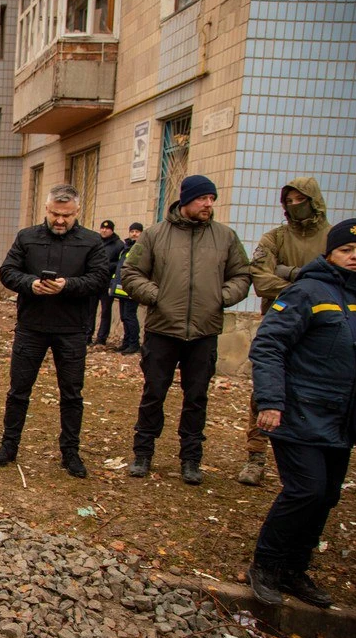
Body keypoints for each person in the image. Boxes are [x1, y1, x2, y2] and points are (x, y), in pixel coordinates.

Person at [246, 218, 356, 608]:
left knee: (328, 495)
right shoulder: (308, 292)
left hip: (342, 418)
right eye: (347, 250)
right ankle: (265, 565)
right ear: (329, 253)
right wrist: (270, 402)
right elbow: (268, 346)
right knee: (306, 490)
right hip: (300, 413)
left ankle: (295, 570)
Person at [122, 175, 251, 484]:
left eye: (212, 199)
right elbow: (130, 272)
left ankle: (191, 459)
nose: (209, 204)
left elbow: (242, 275)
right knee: (154, 393)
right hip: (162, 330)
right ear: (185, 200)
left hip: (204, 333)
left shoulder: (225, 237)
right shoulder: (154, 235)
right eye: (202, 199)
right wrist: (155, 296)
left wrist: (222, 297)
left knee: (197, 397)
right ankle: (143, 453)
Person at [0, 184, 108, 478]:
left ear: (77, 212)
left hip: (72, 330)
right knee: (18, 391)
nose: (60, 220)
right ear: (46, 209)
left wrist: (67, 286)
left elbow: (99, 278)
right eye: (55, 213)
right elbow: (7, 271)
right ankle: (9, 446)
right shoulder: (27, 237)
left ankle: (70, 452)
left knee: (71, 394)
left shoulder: (92, 242)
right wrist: (30, 283)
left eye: (66, 215)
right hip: (31, 327)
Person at [240, 178, 331, 486]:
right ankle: (256, 456)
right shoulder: (274, 238)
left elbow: (345, 280)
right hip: (279, 324)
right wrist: (311, 285)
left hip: (324, 330)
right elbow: (262, 281)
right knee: (265, 390)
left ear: (314, 200)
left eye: (300, 199)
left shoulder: (334, 239)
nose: (294, 206)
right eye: (289, 200)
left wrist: (290, 274)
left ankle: (314, 455)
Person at [88, 219, 124, 347]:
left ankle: (101, 338)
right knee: (90, 310)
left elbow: (120, 264)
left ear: (112, 230)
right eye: (102, 228)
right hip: (94, 281)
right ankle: (88, 335)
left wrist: (106, 266)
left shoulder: (119, 245)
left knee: (105, 311)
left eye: (107, 229)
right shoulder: (96, 242)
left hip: (108, 282)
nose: (104, 230)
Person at [111, 222, 143, 355]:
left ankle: (134, 343)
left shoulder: (141, 248)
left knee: (130, 316)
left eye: (137, 231)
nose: (134, 234)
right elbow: (119, 268)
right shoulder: (126, 247)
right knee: (124, 317)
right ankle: (126, 342)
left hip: (132, 288)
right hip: (122, 287)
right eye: (132, 231)